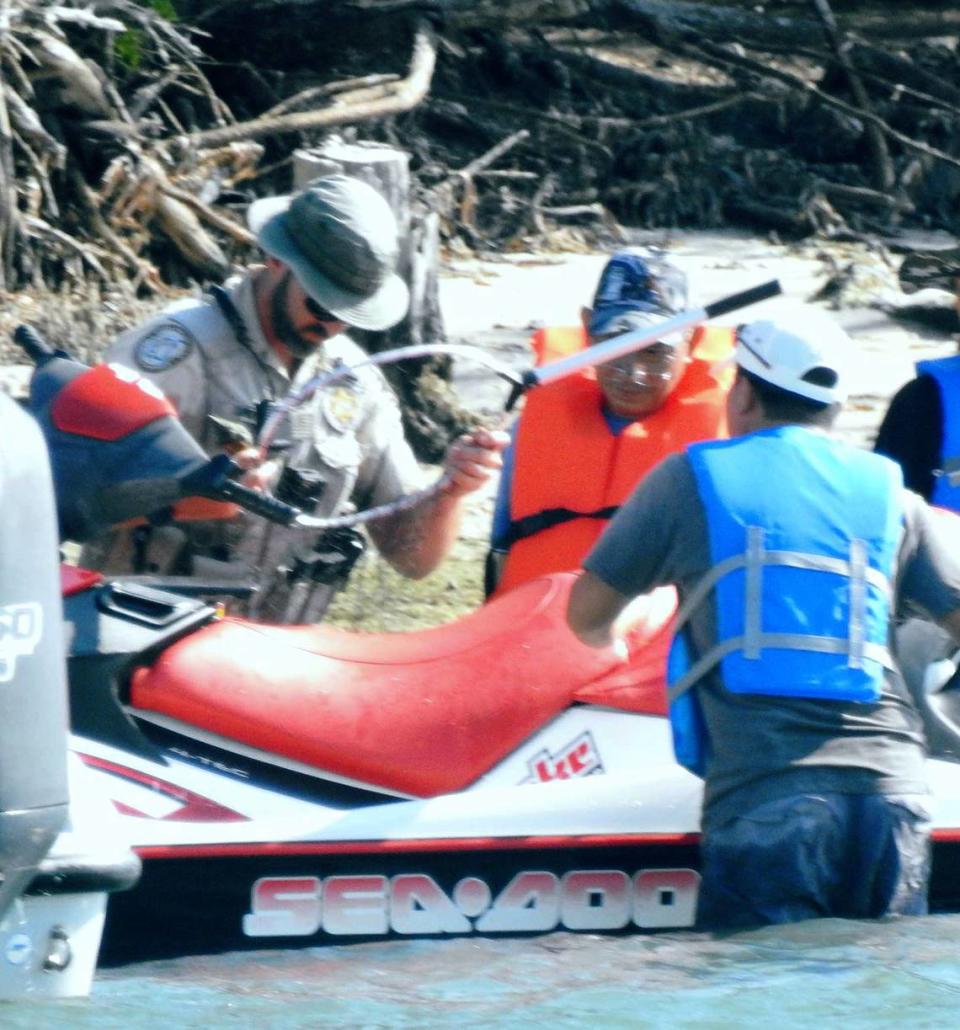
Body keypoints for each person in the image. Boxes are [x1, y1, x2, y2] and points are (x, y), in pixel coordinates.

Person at [566, 310, 960, 930]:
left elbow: (585, 619)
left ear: (743, 391)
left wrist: (645, 615)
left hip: (768, 801)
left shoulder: (686, 479)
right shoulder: (893, 495)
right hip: (893, 798)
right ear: (836, 407)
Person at [83, 174, 507, 621]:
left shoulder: (353, 382)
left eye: (349, 315)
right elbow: (78, 499)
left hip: (282, 663)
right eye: (321, 305)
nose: (332, 327)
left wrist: (450, 492)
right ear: (275, 260)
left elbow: (412, 557)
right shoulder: (176, 354)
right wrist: (201, 493)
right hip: (144, 647)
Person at [486, 250, 734, 597]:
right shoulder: (527, 431)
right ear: (587, 329)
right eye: (614, 345)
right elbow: (501, 550)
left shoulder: (731, 442)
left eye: (654, 352)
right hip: (540, 634)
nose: (632, 373)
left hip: (659, 643)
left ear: (691, 339)